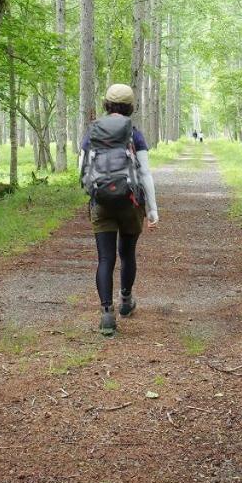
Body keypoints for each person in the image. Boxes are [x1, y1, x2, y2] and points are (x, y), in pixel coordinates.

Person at [79, 84, 159, 337]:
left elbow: (82, 167)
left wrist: (94, 193)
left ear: (107, 104)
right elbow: (145, 173)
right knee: (127, 254)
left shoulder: (92, 132)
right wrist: (153, 210)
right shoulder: (134, 134)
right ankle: (125, 301)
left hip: (101, 201)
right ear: (130, 106)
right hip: (130, 203)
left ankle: (106, 315)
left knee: (105, 258)